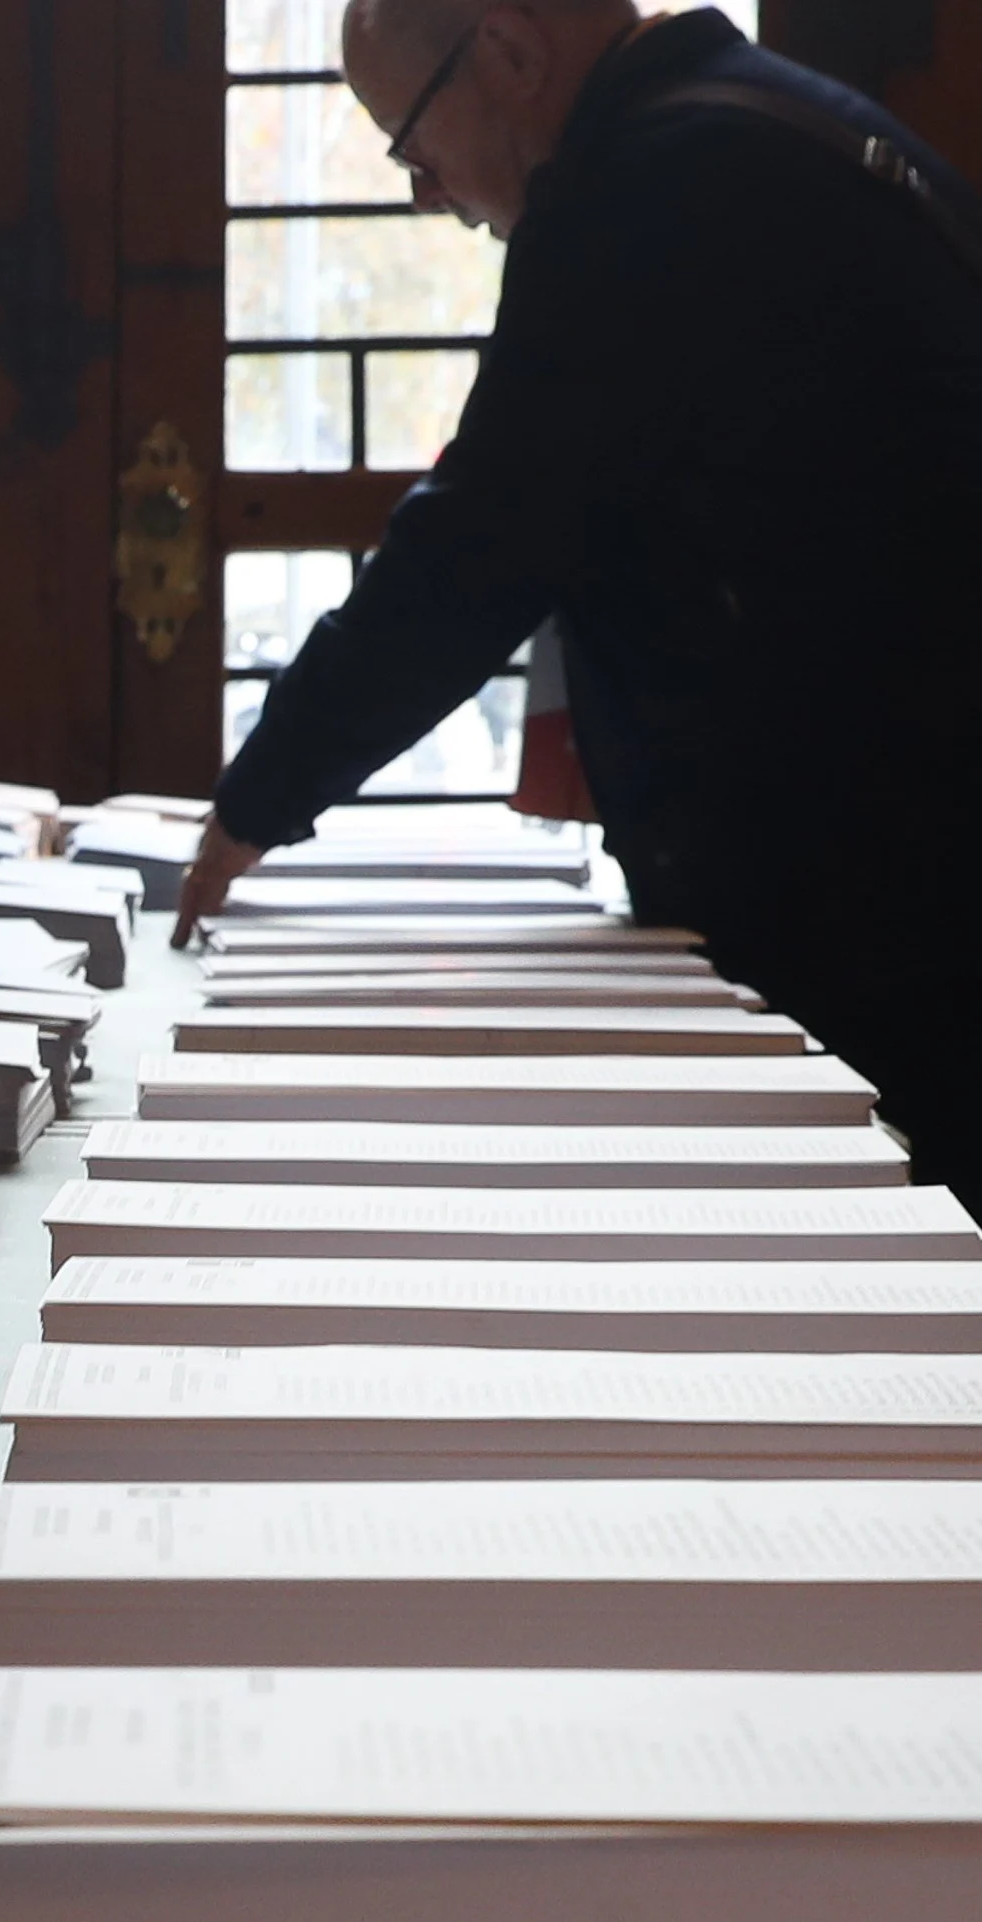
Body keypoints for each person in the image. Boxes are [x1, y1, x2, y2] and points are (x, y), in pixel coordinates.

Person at [173, 2, 982, 1175]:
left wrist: (252, 805)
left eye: (410, 146)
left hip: (886, 872)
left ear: (504, 54)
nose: (426, 194)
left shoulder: (641, 192)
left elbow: (480, 545)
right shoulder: (789, 124)